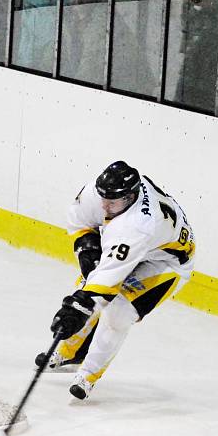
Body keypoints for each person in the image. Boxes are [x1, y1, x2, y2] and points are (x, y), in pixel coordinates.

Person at [37, 161, 196, 400]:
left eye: (111, 203)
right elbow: (79, 221)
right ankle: (69, 351)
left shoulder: (137, 225)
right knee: (89, 280)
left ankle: (88, 375)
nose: (104, 205)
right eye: (103, 199)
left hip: (166, 262)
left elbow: (104, 287)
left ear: (130, 197)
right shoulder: (102, 191)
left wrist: (76, 309)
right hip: (141, 247)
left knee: (118, 313)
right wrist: (87, 248)